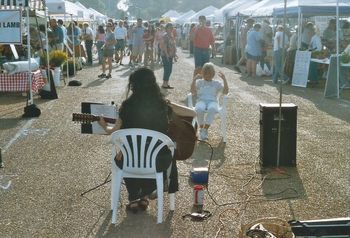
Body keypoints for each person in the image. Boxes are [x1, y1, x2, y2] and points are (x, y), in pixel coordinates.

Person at [98, 67, 196, 212]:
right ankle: (149, 190)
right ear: (153, 84)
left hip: (130, 160)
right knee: (166, 153)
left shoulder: (126, 107)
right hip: (157, 161)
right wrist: (170, 106)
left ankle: (135, 197)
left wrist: (104, 125)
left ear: (133, 86)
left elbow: (112, 132)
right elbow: (192, 113)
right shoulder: (163, 105)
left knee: (123, 156)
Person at [190, 62, 228, 140]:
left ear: (213, 74)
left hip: (213, 101)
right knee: (199, 109)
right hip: (201, 100)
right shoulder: (199, 82)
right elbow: (193, 92)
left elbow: (225, 92)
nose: (207, 76)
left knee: (213, 109)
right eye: (205, 73)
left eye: (209, 74)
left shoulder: (216, 83)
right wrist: (194, 79)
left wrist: (224, 80)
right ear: (203, 73)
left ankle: (205, 130)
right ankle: (201, 128)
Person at [159, 23, 177, 89]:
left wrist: (174, 54)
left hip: (170, 55)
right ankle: (164, 84)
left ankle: (166, 83)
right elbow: (164, 46)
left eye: (172, 27)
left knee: (169, 69)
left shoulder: (171, 36)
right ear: (166, 29)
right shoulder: (165, 36)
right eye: (170, 27)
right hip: (166, 55)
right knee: (167, 69)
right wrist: (167, 55)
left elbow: (173, 45)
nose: (171, 29)